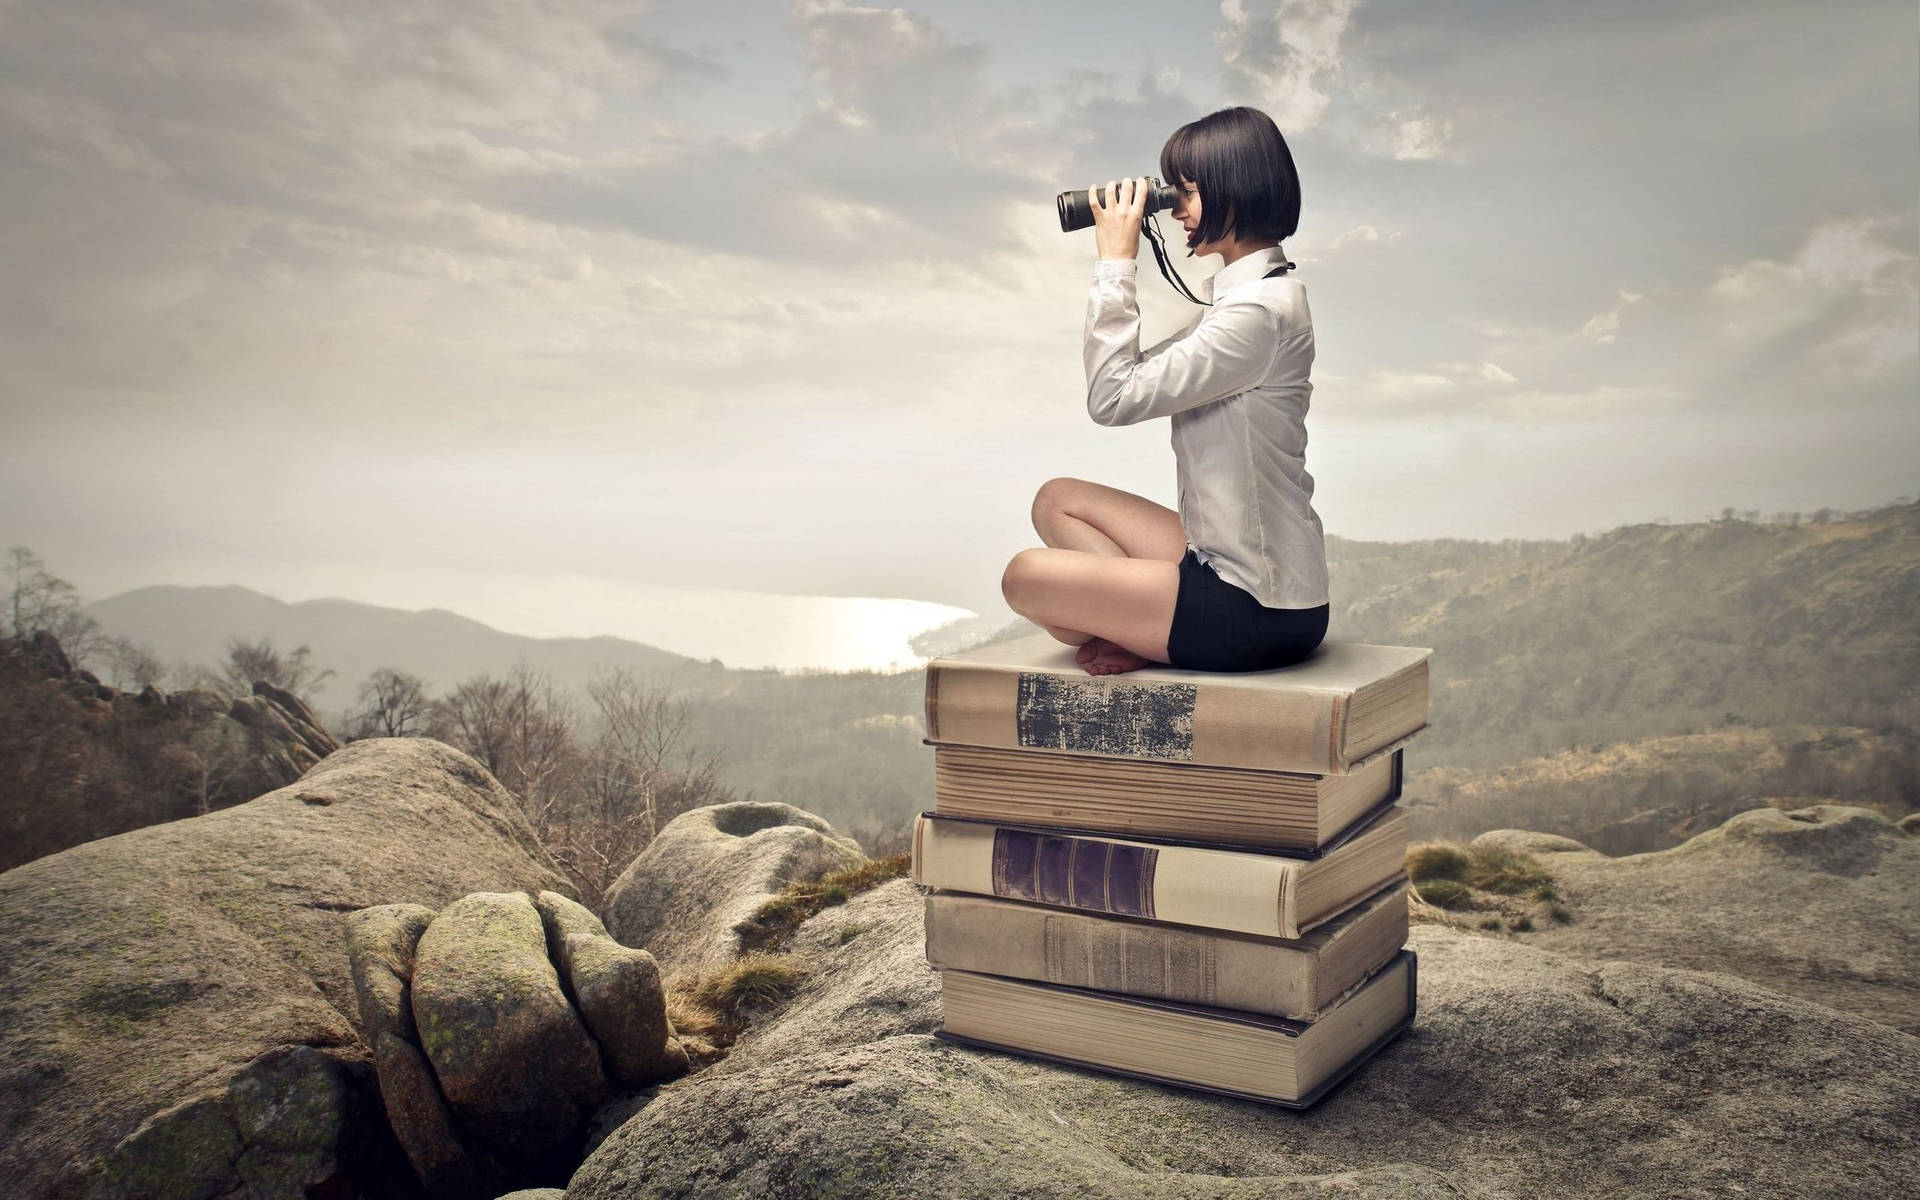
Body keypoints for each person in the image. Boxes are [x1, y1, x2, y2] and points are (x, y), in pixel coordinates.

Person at [1000, 105, 1330, 676]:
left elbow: (1113, 398)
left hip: (1255, 609)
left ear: (1236, 193)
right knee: (1057, 500)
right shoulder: (1250, 301)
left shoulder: (1254, 315)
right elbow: (1130, 376)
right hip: (1230, 567)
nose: (1175, 209)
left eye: (1189, 192)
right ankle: (1138, 626)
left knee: (1024, 577)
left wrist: (1116, 261)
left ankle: (1139, 627)